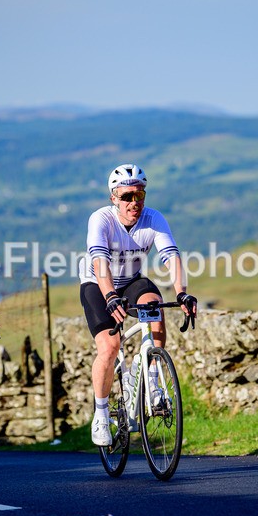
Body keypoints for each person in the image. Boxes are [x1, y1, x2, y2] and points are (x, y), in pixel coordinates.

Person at [78, 164, 197, 446]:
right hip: (97, 283)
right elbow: (99, 262)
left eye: (140, 195)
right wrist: (109, 295)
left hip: (131, 280)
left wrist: (181, 293)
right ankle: (102, 413)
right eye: (128, 196)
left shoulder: (154, 218)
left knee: (153, 304)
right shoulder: (101, 220)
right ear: (114, 198)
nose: (135, 203)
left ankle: (153, 379)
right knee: (109, 346)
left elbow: (171, 256)